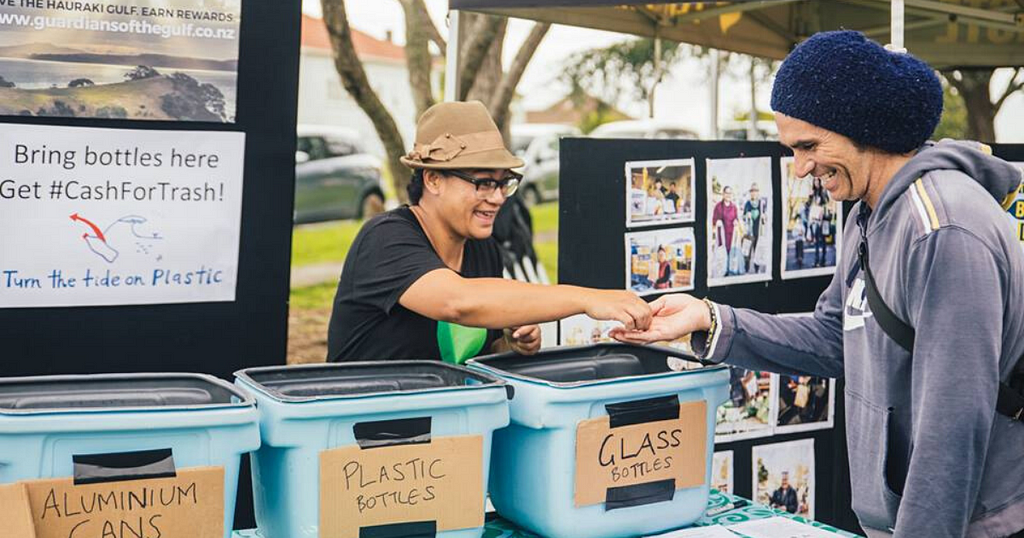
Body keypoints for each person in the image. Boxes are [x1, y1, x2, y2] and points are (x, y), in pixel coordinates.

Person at [614, 31, 1024, 538]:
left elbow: (955, 419)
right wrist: (711, 319)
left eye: (809, 146)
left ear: (865, 128)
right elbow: (836, 337)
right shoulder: (868, 214)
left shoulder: (943, 229)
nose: (801, 167)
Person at [328, 101, 651, 363]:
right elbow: (458, 302)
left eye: (503, 183)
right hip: (363, 431)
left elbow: (476, 353)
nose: (497, 198)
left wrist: (512, 343)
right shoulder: (385, 238)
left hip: (452, 426)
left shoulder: (483, 249)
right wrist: (587, 298)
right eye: (483, 182)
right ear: (433, 180)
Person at [712, 186, 738, 272]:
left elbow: (736, 218)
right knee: (722, 254)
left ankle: (729, 269)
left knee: (731, 253)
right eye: (726, 193)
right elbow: (713, 219)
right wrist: (717, 222)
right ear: (723, 194)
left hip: (731, 235)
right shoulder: (718, 206)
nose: (728, 195)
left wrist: (736, 221)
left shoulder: (734, 207)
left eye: (730, 193)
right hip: (721, 237)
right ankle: (723, 271)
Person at [742, 183, 767, 272]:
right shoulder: (747, 203)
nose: (754, 193)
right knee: (747, 252)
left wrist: (764, 217)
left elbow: (766, 217)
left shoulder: (762, 203)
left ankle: (757, 270)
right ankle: (746, 269)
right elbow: (743, 217)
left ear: (758, 192)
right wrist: (746, 215)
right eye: (752, 191)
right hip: (749, 232)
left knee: (757, 251)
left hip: (758, 232)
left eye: (755, 191)